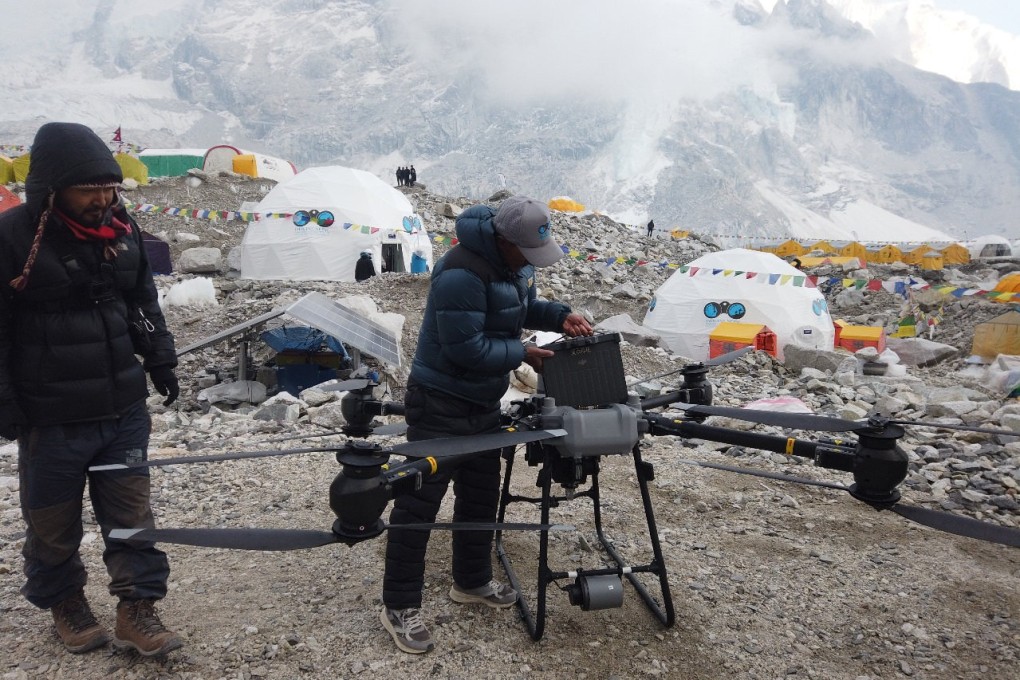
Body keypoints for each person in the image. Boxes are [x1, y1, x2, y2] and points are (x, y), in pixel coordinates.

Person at [0, 122, 182, 657]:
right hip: (50, 412)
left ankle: (137, 607)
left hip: (121, 405)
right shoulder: (11, 239)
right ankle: (66, 602)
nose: (103, 199)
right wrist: (4, 398)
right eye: (90, 189)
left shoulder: (121, 229)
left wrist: (160, 356)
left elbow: (142, 301)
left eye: (110, 187)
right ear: (52, 189)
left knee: (131, 513)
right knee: (53, 519)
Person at [381, 195, 593, 654]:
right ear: (503, 239)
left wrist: (559, 315)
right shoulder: (461, 271)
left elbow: (520, 308)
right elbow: (467, 349)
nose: (533, 262)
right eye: (528, 253)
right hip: (439, 399)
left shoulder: (517, 265)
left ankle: (471, 582)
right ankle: (399, 604)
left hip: (482, 400)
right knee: (420, 503)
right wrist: (522, 353)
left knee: (480, 495)